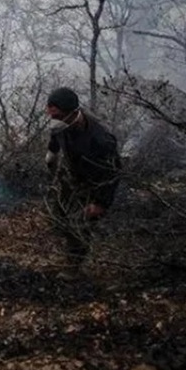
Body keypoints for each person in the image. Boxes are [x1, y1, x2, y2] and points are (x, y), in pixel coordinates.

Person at [44, 86, 122, 269]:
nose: (53, 121)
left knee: (78, 224)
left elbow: (114, 172)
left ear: (72, 113)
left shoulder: (100, 139)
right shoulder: (60, 126)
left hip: (93, 183)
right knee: (59, 216)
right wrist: (51, 154)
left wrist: (101, 203)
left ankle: (73, 266)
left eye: (57, 116)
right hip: (72, 176)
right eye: (51, 115)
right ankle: (67, 249)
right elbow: (55, 139)